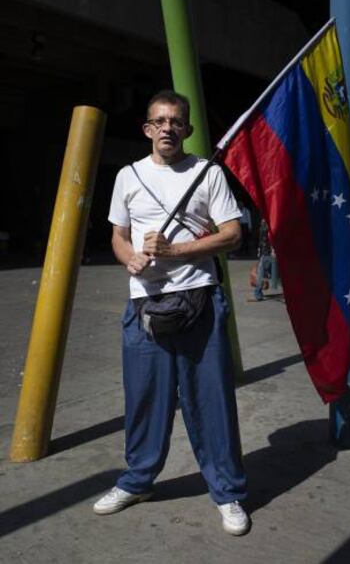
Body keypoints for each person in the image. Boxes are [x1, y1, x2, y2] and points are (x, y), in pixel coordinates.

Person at [93, 90, 249, 536]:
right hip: (144, 302)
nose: (167, 128)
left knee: (211, 400)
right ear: (147, 128)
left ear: (188, 129)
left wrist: (176, 249)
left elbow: (232, 234)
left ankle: (228, 491)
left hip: (199, 299)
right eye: (159, 121)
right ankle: (137, 481)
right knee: (145, 399)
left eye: (176, 121)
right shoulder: (128, 176)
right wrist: (129, 258)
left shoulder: (208, 174)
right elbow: (118, 234)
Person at [253, 219, 278, 302]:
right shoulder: (267, 225)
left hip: (266, 252)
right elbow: (264, 241)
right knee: (264, 273)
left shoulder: (265, 225)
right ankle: (258, 293)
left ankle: (258, 293)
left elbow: (265, 240)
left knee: (264, 273)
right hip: (266, 253)